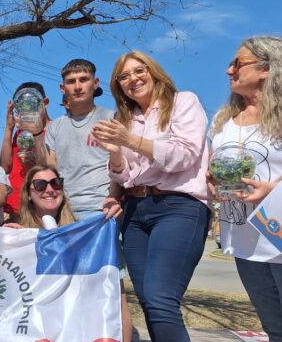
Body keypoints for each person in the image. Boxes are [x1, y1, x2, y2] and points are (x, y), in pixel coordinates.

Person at [92, 51, 210, 342]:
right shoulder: (125, 119)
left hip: (178, 206)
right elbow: (124, 175)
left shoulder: (184, 102)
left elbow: (184, 157)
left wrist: (128, 140)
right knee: (148, 301)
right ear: (118, 86)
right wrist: (116, 153)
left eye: (139, 70)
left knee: (161, 299)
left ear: (154, 72)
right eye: (124, 76)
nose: (133, 79)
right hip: (134, 211)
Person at [33, 59, 130, 341]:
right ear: (63, 88)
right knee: (66, 288)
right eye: (72, 81)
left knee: (113, 288)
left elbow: (122, 165)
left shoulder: (112, 118)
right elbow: (50, 172)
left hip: (101, 216)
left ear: (95, 83)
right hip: (65, 217)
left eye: (84, 79)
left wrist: (113, 199)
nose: (78, 86)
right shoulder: (55, 127)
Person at [208, 36, 282, 340]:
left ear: (266, 69)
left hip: (278, 234)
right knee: (274, 328)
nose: (229, 70)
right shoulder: (223, 120)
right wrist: (211, 180)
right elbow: (212, 165)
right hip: (243, 239)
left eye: (238, 63)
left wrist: (273, 189)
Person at [1, 82, 50, 220]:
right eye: (21, 106)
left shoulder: (54, 130)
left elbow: (50, 168)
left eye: (31, 105)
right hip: (14, 205)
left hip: (40, 206)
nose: (27, 111)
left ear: (44, 103)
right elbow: (5, 166)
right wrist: (9, 129)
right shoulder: (19, 133)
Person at [2, 165, 75, 229]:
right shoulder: (14, 229)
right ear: (28, 194)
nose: (50, 190)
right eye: (40, 184)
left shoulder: (79, 230)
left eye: (55, 183)